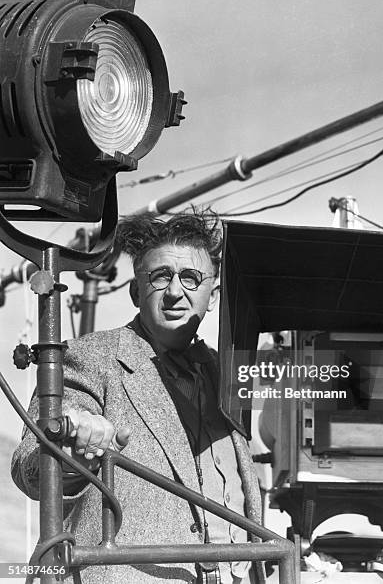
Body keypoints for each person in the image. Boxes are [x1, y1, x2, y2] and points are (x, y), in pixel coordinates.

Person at [11, 209, 265, 584]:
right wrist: (72, 452)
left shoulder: (226, 373)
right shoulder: (90, 358)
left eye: (191, 278)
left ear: (212, 296)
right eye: (160, 277)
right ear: (135, 292)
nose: (175, 292)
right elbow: (29, 469)